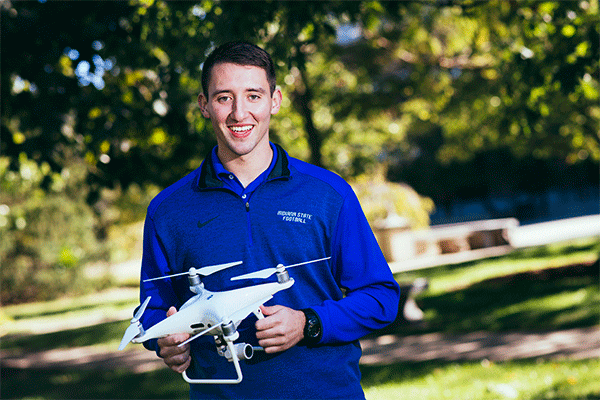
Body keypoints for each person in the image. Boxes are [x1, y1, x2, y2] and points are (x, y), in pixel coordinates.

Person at [137, 41, 400, 399]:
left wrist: (308, 323)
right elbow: (151, 311)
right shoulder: (167, 210)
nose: (239, 113)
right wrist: (165, 340)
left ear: (274, 101)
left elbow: (380, 298)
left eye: (253, 96)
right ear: (204, 105)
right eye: (224, 98)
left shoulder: (328, 194)